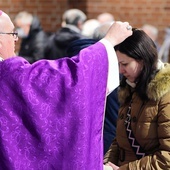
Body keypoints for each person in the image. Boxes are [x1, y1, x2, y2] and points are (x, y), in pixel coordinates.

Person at [0, 10, 132, 170]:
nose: (16, 39)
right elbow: (68, 78)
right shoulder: (8, 73)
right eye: (12, 33)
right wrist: (108, 42)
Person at [104, 28, 170, 169]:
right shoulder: (130, 88)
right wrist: (106, 164)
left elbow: (167, 158)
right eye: (119, 64)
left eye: (125, 64)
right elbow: (121, 140)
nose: (121, 70)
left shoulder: (166, 95)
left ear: (142, 60)